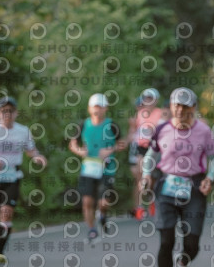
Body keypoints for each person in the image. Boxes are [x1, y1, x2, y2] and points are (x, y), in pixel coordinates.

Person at [140, 87, 214, 267]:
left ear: (193, 107)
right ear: (171, 106)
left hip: (194, 186)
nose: (181, 110)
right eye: (177, 105)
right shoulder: (162, 129)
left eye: (185, 106)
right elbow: (151, 155)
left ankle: (182, 264)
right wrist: (146, 174)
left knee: (192, 243)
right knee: (166, 240)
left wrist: (210, 178)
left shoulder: (203, 130)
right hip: (166, 186)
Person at [0, 97, 47, 264]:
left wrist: (38, 157)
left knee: (6, 214)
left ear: (16, 113)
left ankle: (0, 252)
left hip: (12, 177)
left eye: (10, 111)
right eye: (4, 110)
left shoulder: (23, 131)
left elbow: (31, 150)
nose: (7, 114)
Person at [69, 93, 123, 242]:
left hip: (107, 167)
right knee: (87, 201)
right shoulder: (83, 125)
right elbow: (72, 144)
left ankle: (103, 215)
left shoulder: (111, 125)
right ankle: (92, 230)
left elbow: (121, 143)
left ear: (106, 108)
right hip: (88, 168)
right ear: (89, 108)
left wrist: (109, 150)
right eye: (95, 107)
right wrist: (80, 151)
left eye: (100, 107)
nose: (97, 110)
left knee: (103, 202)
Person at [128, 88, 164, 220]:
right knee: (139, 176)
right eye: (146, 98)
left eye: (151, 99)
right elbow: (133, 132)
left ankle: (152, 200)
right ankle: (139, 207)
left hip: (155, 148)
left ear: (156, 100)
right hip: (141, 148)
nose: (148, 101)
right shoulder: (139, 114)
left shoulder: (160, 113)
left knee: (152, 179)